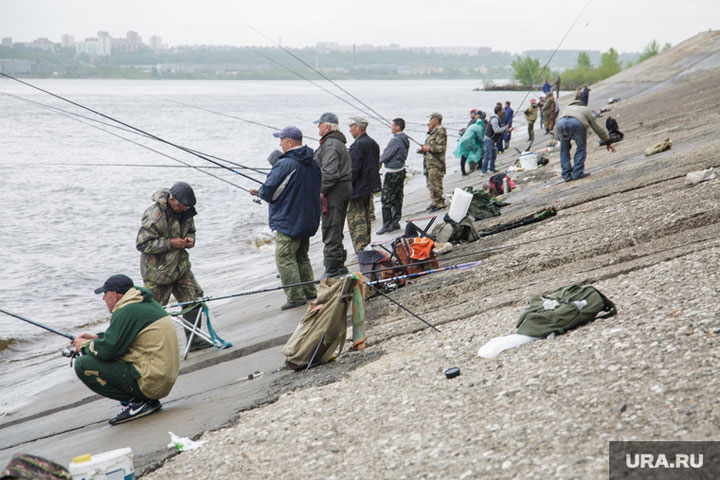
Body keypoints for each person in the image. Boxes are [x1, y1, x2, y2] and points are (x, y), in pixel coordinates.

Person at [72, 274, 180, 425]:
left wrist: (83, 346)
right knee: (99, 354)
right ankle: (143, 401)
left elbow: (109, 351)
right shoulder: (144, 303)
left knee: (83, 364)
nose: (103, 299)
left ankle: (138, 402)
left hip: (151, 382)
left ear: (114, 296)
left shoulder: (127, 311)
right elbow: (122, 338)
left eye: (105, 294)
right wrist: (96, 338)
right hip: (161, 377)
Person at [250, 126, 322, 310]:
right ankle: (309, 291)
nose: (280, 143)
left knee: (284, 258)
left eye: (281, 140)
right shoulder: (313, 161)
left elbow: (269, 192)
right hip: (308, 217)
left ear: (290, 142)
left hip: (289, 219)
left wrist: (260, 192)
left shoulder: (285, 164)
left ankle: (295, 296)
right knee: (301, 255)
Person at [136, 181, 210, 352]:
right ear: (172, 199)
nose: (185, 210)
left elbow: (191, 230)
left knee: (194, 297)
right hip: (158, 273)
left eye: (187, 207)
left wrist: (190, 240)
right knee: (151, 312)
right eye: (183, 206)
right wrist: (170, 243)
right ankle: (147, 349)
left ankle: (195, 340)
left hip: (181, 268)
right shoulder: (154, 215)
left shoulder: (187, 211)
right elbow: (142, 244)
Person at [313, 112, 352, 278]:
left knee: (330, 227)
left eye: (320, 125)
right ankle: (339, 264)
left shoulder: (330, 144)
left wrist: (322, 191)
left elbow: (330, 173)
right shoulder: (337, 141)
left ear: (327, 127)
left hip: (335, 190)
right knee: (336, 227)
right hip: (343, 188)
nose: (318, 128)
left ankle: (332, 268)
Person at [555, 98, 616, 182]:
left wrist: (560, 139)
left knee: (564, 150)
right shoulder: (585, 109)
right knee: (581, 148)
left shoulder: (565, 109)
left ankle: (566, 175)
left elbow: (556, 126)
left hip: (561, 124)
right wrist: (607, 141)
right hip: (577, 123)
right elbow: (597, 127)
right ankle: (577, 173)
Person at [346, 115, 381, 254]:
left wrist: (346, 186)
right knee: (366, 217)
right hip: (368, 187)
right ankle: (366, 246)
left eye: (351, 127)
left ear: (358, 127)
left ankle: (361, 250)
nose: (350, 131)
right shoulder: (372, 143)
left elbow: (354, 169)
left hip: (357, 189)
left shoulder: (358, 145)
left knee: (357, 221)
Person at [377, 117, 409, 234]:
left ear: (397, 127)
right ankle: (395, 221)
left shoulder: (395, 140)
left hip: (392, 172)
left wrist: (379, 160)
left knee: (386, 198)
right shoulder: (405, 138)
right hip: (401, 170)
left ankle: (387, 224)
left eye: (392, 125)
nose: (391, 127)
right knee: (397, 196)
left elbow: (386, 155)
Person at [421, 112, 447, 212]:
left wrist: (428, 148)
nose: (429, 121)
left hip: (436, 163)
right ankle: (434, 201)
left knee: (436, 184)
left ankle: (439, 204)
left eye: (431, 119)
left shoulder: (440, 131)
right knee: (431, 184)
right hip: (429, 163)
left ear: (436, 120)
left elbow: (440, 148)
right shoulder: (432, 132)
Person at [453, 110, 484, 176]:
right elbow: (480, 138)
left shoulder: (473, 125)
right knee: (478, 151)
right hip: (469, 142)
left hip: (464, 141)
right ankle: (479, 166)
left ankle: (463, 171)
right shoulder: (479, 127)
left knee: (464, 156)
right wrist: (482, 144)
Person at [482, 105, 512, 174]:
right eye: (502, 111)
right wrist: (505, 128)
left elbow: (501, 130)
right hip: (488, 139)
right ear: (498, 112)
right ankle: (484, 171)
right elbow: (496, 130)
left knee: (494, 154)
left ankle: (492, 169)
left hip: (492, 140)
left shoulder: (497, 118)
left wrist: (508, 130)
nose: (503, 113)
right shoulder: (495, 119)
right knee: (488, 155)